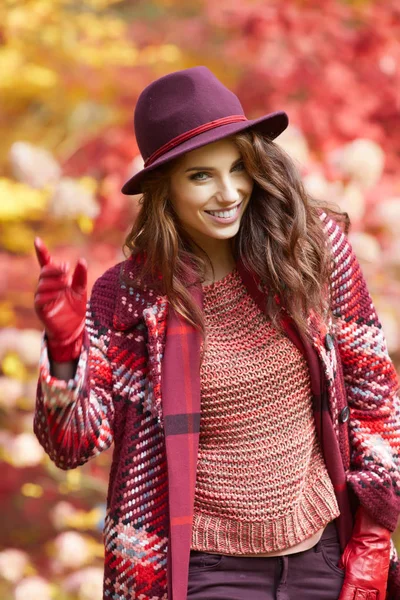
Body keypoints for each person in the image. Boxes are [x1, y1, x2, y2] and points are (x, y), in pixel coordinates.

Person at [33, 66, 400, 600]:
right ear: (165, 190)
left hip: (324, 555)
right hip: (202, 570)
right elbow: (72, 445)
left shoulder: (312, 251)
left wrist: (371, 541)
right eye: (201, 176)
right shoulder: (133, 296)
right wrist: (65, 349)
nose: (229, 193)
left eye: (238, 168)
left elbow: (376, 401)